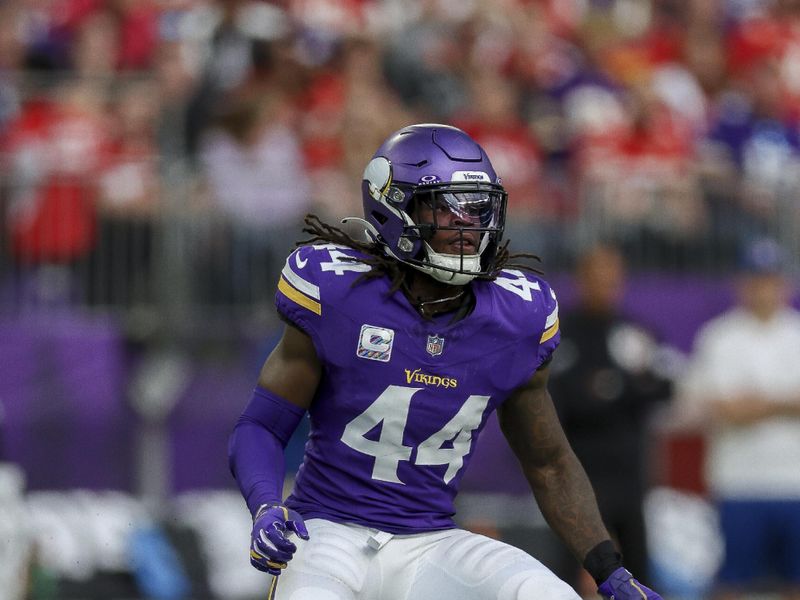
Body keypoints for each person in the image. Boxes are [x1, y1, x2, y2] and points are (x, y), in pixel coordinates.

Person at [228, 123, 661, 600]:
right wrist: (267, 506)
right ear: (393, 209)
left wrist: (608, 569)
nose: (466, 225)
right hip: (327, 532)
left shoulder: (517, 316)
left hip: (431, 540)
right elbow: (262, 426)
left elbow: (550, 463)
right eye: (446, 207)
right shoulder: (339, 295)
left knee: (544, 592)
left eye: (477, 209)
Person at [549, 243, 673, 593]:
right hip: (575, 472)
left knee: (636, 565)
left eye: (612, 278)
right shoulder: (561, 332)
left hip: (627, 470)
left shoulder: (633, 333)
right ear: (580, 279)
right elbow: (563, 399)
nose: (605, 286)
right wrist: (621, 389)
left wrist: (610, 389)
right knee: (567, 570)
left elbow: (663, 387)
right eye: (597, 277)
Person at [680, 237, 800, 600]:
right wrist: (782, 403)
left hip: (793, 480)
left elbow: (737, 407)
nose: (763, 288)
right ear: (741, 282)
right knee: (732, 581)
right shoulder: (720, 337)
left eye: (770, 278)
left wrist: (753, 405)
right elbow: (715, 406)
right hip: (737, 480)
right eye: (755, 278)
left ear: (784, 282)